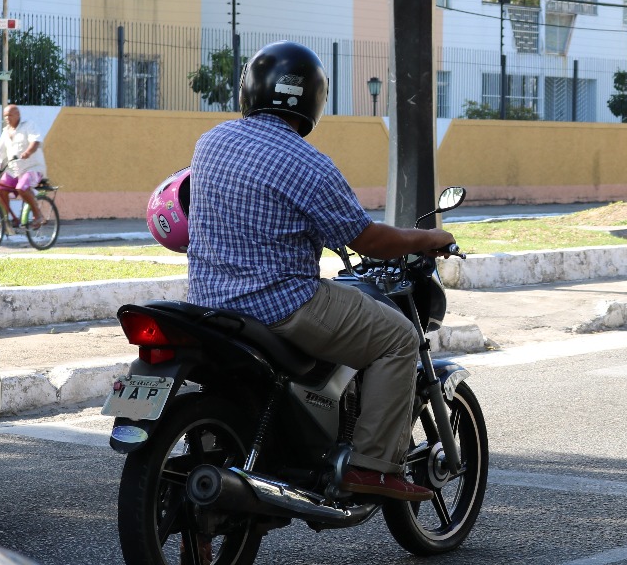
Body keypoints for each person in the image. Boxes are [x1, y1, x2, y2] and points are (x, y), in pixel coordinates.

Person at [186, 41, 455, 503]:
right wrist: (428, 237)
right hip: (281, 305)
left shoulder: (210, 142)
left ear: (250, 89)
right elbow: (368, 240)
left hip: (208, 303)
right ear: (313, 99)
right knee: (398, 337)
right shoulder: (307, 164)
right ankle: (372, 467)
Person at [0, 104, 47, 228]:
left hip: (32, 168)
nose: (7, 118)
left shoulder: (29, 125)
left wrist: (28, 152)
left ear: (18, 115)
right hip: (14, 170)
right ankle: (6, 220)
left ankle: (38, 215)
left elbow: (35, 141)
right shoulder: (6, 131)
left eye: (10, 115)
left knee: (21, 187)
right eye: (5, 116)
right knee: (0, 188)